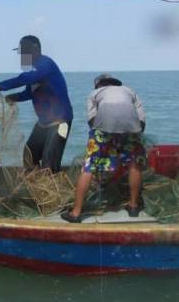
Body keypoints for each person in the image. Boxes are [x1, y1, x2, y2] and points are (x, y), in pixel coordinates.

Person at [61, 74, 147, 223]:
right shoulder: (129, 91)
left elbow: (92, 121)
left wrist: (102, 140)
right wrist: (134, 137)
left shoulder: (95, 93)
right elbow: (141, 120)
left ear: (99, 85)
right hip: (131, 127)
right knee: (133, 163)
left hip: (103, 127)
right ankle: (133, 206)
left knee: (88, 167)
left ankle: (75, 213)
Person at [0, 35, 73, 173]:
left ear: (36, 49)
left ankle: (51, 191)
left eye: (25, 50)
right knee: (29, 156)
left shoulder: (45, 64)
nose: (22, 54)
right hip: (43, 123)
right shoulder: (34, 70)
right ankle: (38, 189)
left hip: (60, 122)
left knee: (49, 163)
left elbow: (24, 78)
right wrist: (14, 97)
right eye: (21, 51)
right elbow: (29, 93)